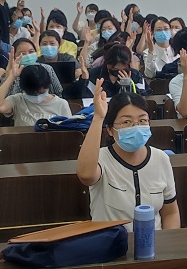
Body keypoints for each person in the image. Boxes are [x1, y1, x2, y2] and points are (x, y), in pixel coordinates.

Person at [76, 81, 180, 229]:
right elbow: (86, 175)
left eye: (142, 120)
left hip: (154, 241)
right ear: (110, 130)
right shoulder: (100, 159)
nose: (136, 126)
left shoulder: (161, 159)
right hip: (111, 241)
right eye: (126, 121)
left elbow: (170, 213)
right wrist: (98, 118)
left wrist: (170, 241)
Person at [0, 57, 72, 126]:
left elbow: (69, 131)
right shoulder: (17, 100)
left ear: (48, 86)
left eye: (41, 92)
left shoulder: (61, 104)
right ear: (23, 89)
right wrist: (12, 77)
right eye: (32, 94)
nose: (38, 96)